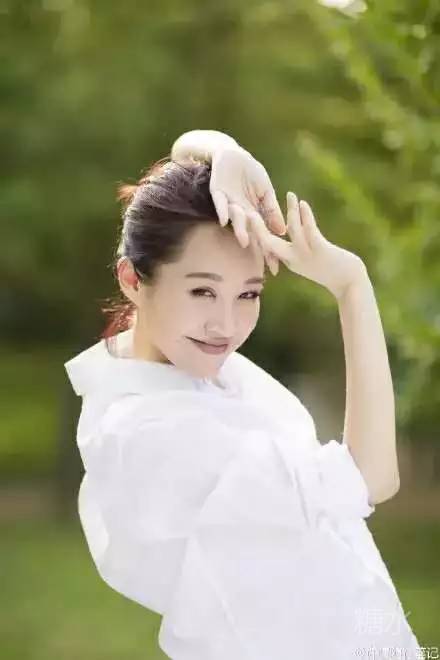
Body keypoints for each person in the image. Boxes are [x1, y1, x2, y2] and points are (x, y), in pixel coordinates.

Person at [64, 130, 422, 659]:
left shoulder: (161, 365)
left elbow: (184, 151)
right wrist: (351, 285)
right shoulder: (156, 434)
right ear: (133, 280)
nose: (226, 326)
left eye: (248, 293)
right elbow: (371, 477)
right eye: (202, 291)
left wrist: (226, 156)